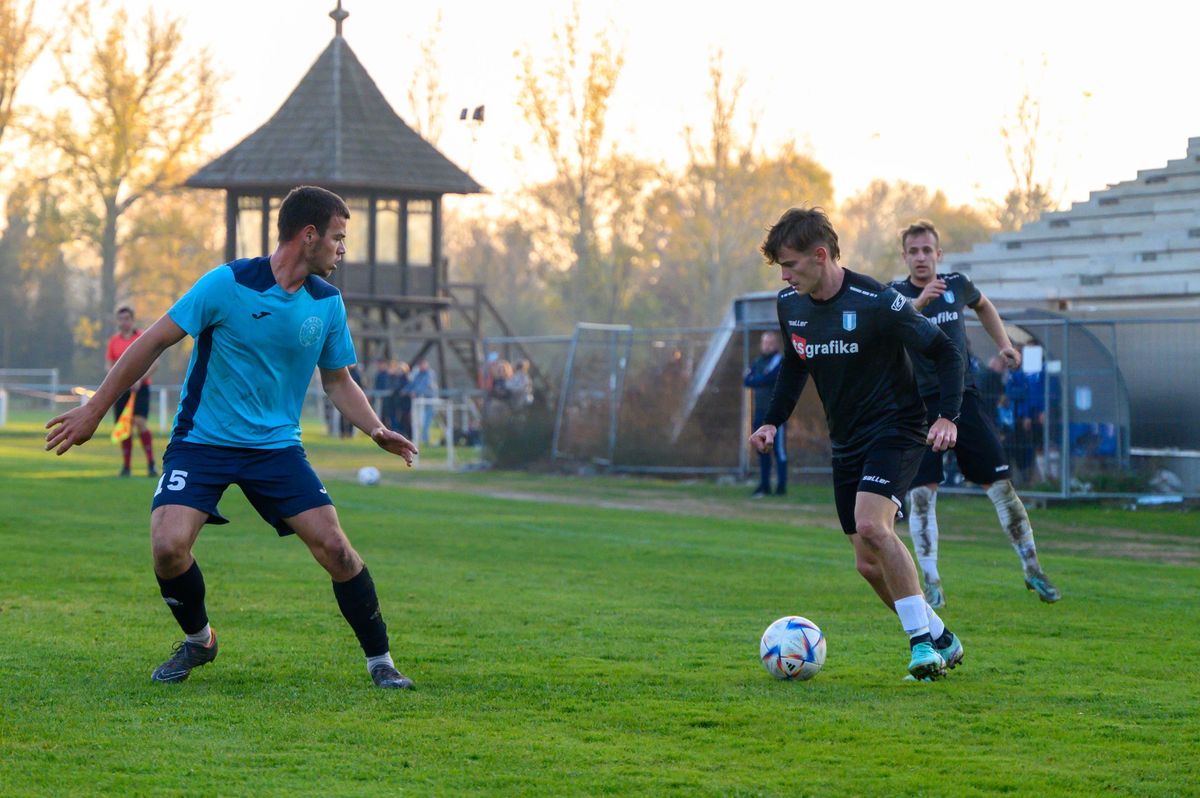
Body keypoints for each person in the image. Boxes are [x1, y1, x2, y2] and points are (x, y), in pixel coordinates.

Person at [45, 186, 419, 690]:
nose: (342, 249)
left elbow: (337, 380)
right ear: (309, 236)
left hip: (277, 449)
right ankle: (200, 641)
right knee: (168, 547)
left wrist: (374, 428)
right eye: (338, 237)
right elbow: (153, 340)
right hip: (203, 441)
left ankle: (382, 664)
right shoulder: (228, 283)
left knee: (336, 549)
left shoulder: (326, 304)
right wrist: (95, 408)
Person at [751, 207, 966, 681]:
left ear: (820, 255)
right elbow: (794, 365)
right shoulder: (791, 305)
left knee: (873, 526)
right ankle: (942, 637)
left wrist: (948, 416)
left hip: (898, 428)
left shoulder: (876, 301)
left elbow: (945, 350)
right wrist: (772, 422)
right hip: (846, 442)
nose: (784, 276)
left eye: (790, 264)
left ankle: (921, 649)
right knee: (867, 564)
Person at [890, 220, 1060, 607]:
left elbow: (983, 305)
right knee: (921, 496)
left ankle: (1033, 569)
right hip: (919, 406)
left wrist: (1004, 345)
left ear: (939, 254)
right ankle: (931, 583)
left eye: (927, 250)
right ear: (905, 256)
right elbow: (888, 335)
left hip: (963, 399)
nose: (920, 257)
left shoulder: (957, 285)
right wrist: (918, 305)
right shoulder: (896, 296)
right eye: (913, 251)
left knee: (1001, 488)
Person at [105, 306, 158, 478]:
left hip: (140, 387)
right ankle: (126, 467)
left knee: (140, 422)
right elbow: (109, 365)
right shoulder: (114, 341)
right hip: (122, 389)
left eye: (127, 318)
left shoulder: (142, 337)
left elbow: (154, 363)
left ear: (132, 320)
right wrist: (116, 381)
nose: (124, 322)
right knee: (124, 427)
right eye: (121, 319)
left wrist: (139, 379)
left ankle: (151, 464)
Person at [743, 331, 787, 497]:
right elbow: (747, 381)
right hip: (760, 412)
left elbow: (769, 379)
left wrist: (758, 379)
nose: (767, 346)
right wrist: (759, 379)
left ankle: (781, 488)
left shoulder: (780, 361)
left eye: (770, 343)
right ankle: (764, 486)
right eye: (764, 342)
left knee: (779, 451)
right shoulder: (758, 362)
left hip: (776, 415)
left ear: (775, 344)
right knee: (761, 449)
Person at [409, 358, 438, 445]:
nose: (421, 367)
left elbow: (424, 385)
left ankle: (426, 440)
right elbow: (413, 384)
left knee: (427, 421)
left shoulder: (430, 374)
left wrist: (415, 392)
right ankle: (422, 439)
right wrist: (406, 390)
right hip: (420, 401)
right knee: (419, 421)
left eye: (422, 364)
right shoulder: (418, 374)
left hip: (430, 400)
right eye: (420, 365)